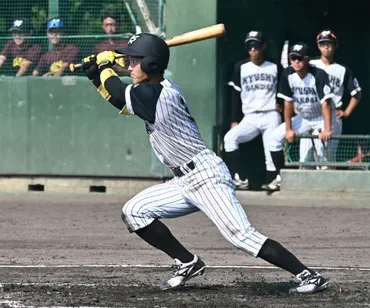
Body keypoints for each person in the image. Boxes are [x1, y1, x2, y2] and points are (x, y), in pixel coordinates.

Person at [80, 33, 329, 294]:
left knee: (242, 236)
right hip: (184, 180)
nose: (129, 66)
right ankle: (187, 262)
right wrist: (96, 75)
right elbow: (119, 98)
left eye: (134, 61)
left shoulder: (154, 94)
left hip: (206, 176)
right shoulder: (149, 92)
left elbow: (118, 90)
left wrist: (105, 66)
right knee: (135, 211)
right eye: (128, 61)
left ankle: (310, 276)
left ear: (152, 64)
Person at [262, 42, 340, 192]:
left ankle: (325, 189)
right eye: (293, 58)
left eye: (300, 58)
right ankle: (280, 177)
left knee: (322, 160)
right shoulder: (288, 74)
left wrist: (327, 129)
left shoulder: (319, 74)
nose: (296, 61)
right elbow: (288, 103)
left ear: (307, 59)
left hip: (321, 117)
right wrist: (289, 128)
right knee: (274, 139)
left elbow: (326, 104)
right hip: (304, 117)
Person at [224, 31, 282, 190]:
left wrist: (281, 104)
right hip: (250, 116)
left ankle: (273, 181)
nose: (253, 50)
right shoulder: (240, 67)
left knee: (271, 147)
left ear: (263, 46)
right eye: (249, 46)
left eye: (256, 45)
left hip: (271, 113)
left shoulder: (274, 66)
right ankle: (240, 178)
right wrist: (234, 120)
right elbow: (235, 95)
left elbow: (284, 89)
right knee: (230, 139)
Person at [299, 29, 362, 162]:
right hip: (310, 113)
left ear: (336, 45)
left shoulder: (342, 69)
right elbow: (295, 85)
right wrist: (296, 107)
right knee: (304, 158)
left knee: (325, 159)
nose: (326, 47)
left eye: (329, 43)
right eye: (322, 44)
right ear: (318, 46)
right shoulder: (310, 65)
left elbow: (357, 93)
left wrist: (347, 112)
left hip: (332, 115)